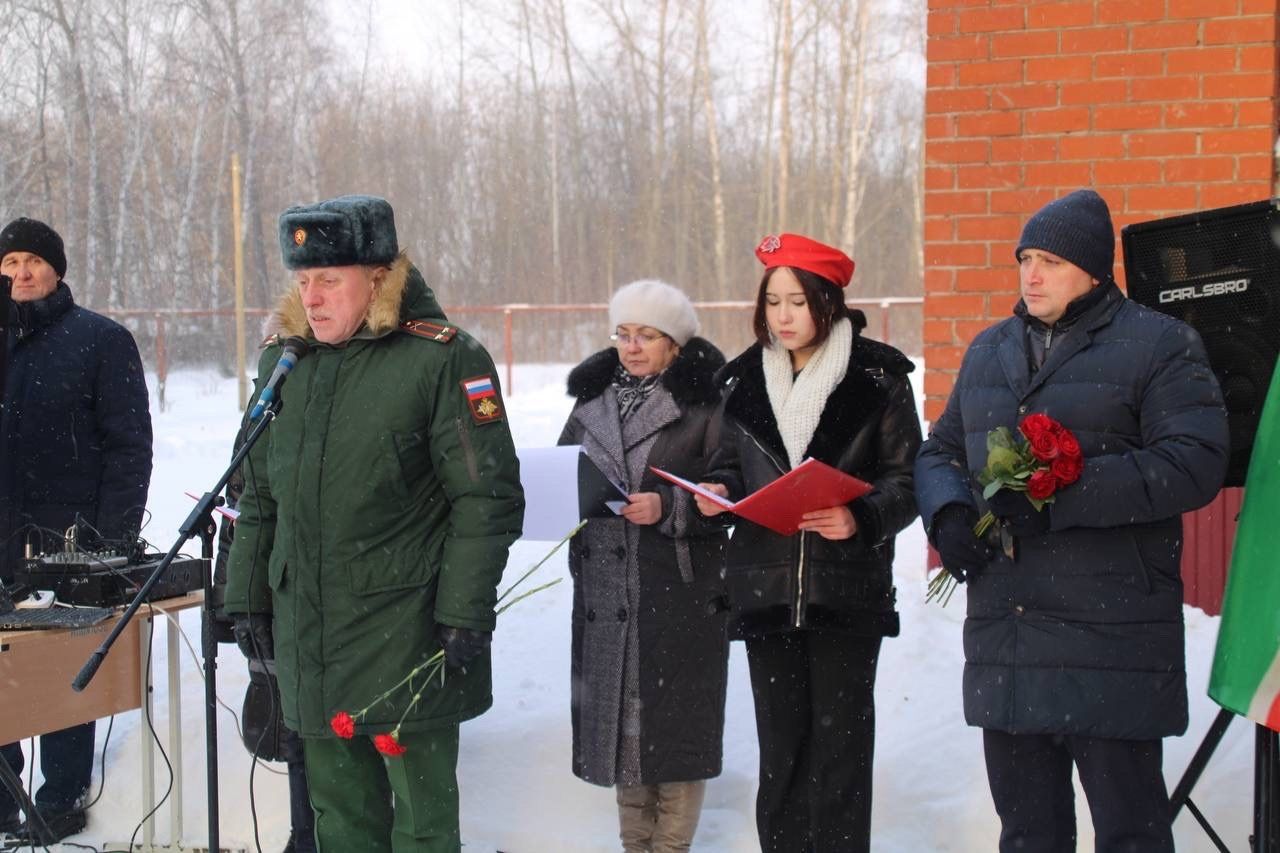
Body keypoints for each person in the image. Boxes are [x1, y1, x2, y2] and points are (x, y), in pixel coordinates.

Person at [914, 189, 1230, 853]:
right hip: (1012, 633)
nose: (1031, 274)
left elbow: (1192, 462)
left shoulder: (1161, 344)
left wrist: (1057, 494)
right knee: (1028, 836)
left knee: (1130, 834)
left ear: (1092, 270)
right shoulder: (988, 350)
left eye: (1051, 260)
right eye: (1025, 258)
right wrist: (946, 511)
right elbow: (940, 448)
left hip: (1111, 634)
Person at [223, 195, 524, 852]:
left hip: (406, 633)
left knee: (421, 826)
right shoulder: (286, 364)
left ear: (379, 276)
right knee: (341, 824)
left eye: (330, 278)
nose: (314, 296)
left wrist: (465, 610)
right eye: (304, 280)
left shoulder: (442, 360)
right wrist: (244, 594)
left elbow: (488, 497)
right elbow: (260, 495)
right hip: (314, 633)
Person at [694, 234, 921, 853]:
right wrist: (716, 492)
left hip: (845, 590)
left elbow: (909, 479)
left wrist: (862, 517)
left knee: (841, 755)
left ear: (829, 301)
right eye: (773, 302)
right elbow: (729, 466)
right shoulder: (740, 381)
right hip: (765, 587)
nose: (784, 316)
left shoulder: (879, 376)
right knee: (782, 757)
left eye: (798, 301)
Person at [558, 280, 730, 853]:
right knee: (623, 736)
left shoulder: (705, 407)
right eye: (623, 334)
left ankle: (670, 848)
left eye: (647, 336)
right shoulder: (590, 404)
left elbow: (734, 493)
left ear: (675, 345)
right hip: (607, 594)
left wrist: (671, 506)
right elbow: (562, 473)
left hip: (676, 594)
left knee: (675, 738)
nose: (631, 347)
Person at [0, 217, 153, 842]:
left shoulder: (101, 341)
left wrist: (110, 538)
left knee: (66, 673)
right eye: (9, 263)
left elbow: (128, 448)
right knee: (3, 673)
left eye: (32, 261)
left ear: (58, 269)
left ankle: (61, 799)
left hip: (70, 544)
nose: (21, 273)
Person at [212, 417, 315, 853]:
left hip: (321, 590)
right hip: (273, 588)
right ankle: (303, 835)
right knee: (291, 724)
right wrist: (231, 599)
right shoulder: (271, 393)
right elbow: (245, 504)